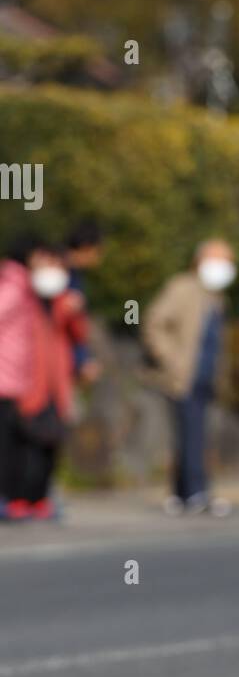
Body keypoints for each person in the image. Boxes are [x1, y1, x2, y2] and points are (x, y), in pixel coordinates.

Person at [141, 240, 236, 516]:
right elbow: (154, 322)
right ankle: (195, 494)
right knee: (191, 435)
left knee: (195, 435)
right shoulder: (182, 288)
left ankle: (183, 494)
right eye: (218, 259)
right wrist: (171, 360)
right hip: (183, 377)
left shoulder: (217, 296)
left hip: (205, 377)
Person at [0, 237, 87, 520]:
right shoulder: (22, 293)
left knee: (48, 445)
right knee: (21, 445)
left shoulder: (62, 301)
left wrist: (74, 311)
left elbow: (79, 337)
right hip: (24, 384)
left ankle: (39, 499)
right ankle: (17, 499)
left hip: (55, 386)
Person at [65, 220, 105, 385]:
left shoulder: (75, 276)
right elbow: (69, 324)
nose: (99, 259)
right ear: (86, 247)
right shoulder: (62, 278)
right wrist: (82, 361)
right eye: (98, 252)